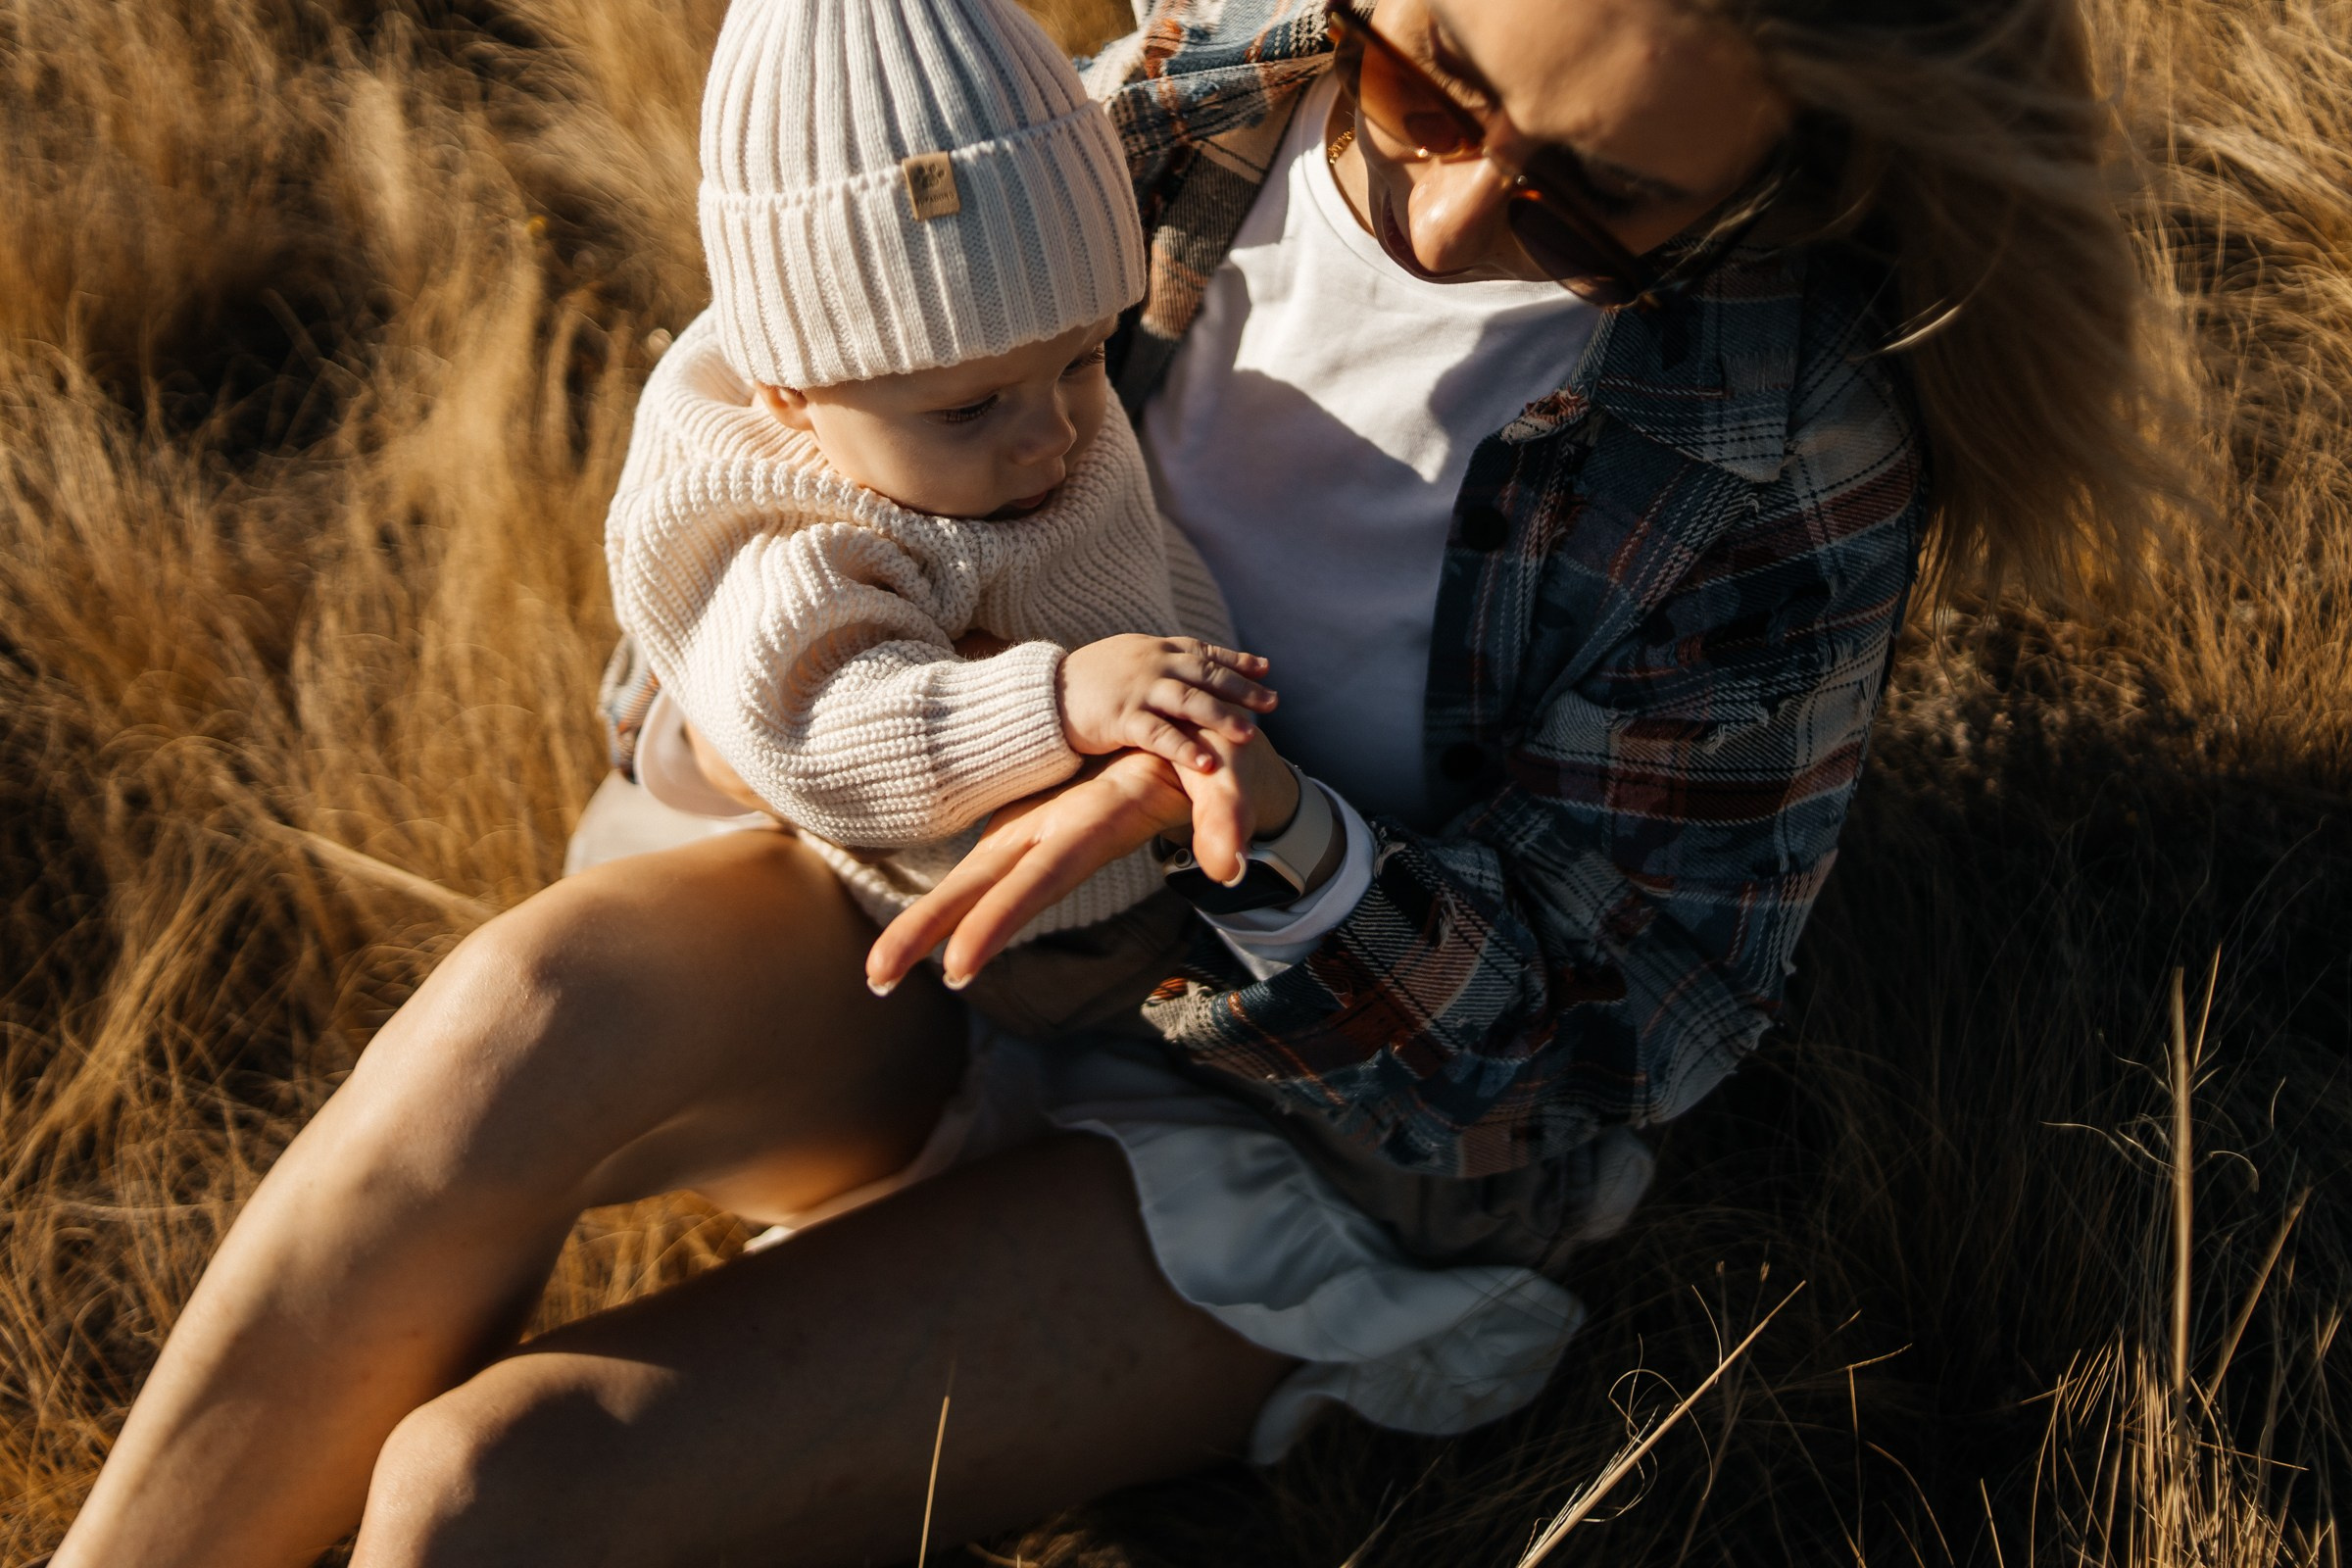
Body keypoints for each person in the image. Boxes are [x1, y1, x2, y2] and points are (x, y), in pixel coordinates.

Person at [51, 0, 2176, 1560]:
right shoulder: (1191, 95)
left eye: (1594, 201)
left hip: (1298, 1137)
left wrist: (1255, 835)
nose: (1447, 211)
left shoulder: (1784, 462)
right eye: (1433, 81)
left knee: (483, 1496)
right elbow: (795, 427)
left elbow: (1587, 1058)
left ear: (1798, 168)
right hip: (943, 919)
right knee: (513, 1013)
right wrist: (805, 695)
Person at [587, 0, 1296, 1043]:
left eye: (1085, 359)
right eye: (967, 409)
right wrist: (1059, 698)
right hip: (996, 926)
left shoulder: (991, 413)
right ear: (789, 391)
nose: (1049, 434)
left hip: (1148, 855)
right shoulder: (802, 523)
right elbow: (815, 729)